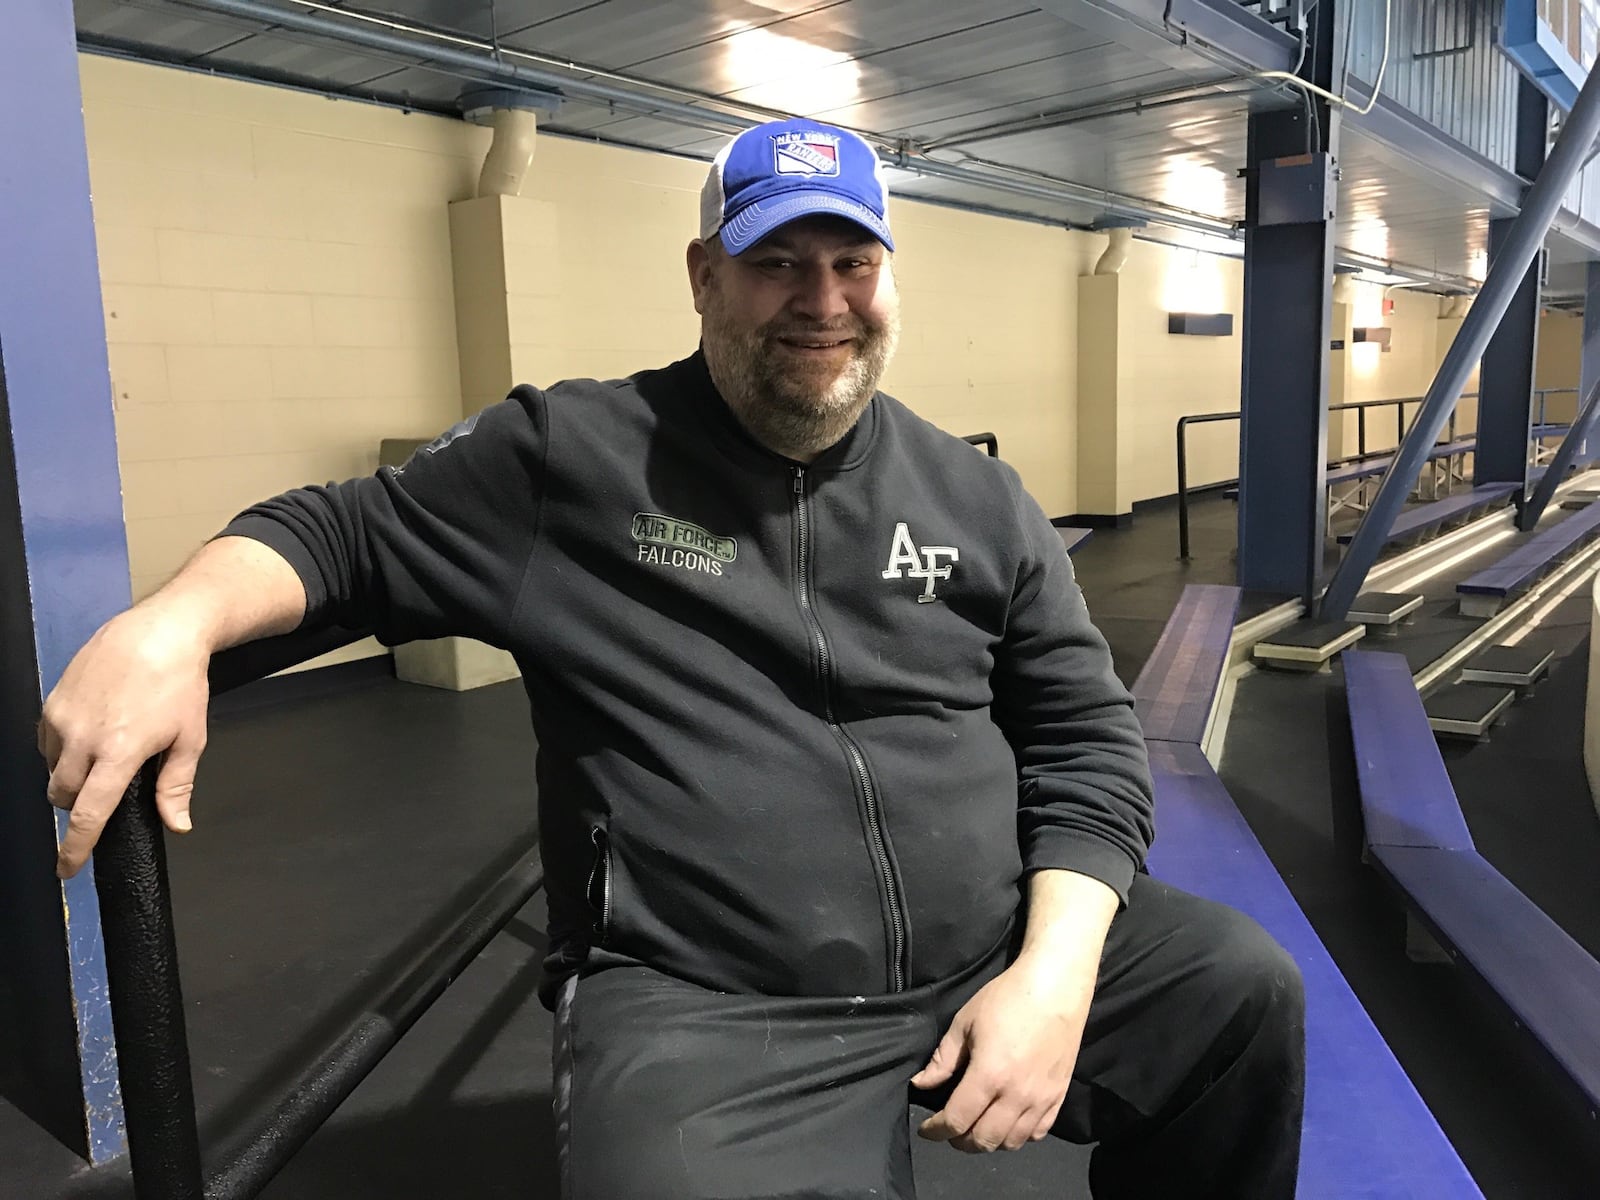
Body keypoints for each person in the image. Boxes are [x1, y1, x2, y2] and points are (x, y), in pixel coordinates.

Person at [42, 118, 1305, 1198]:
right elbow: (340, 534)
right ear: (705, 276)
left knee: (1239, 995)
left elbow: (1087, 738)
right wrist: (176, 622)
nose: (821, 302)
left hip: (991, 946)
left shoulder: (976, 497)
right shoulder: (574, 461)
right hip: (712, 999)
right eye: (776, 264)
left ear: (889, 280)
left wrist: (1051, 976)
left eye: (852, 262)